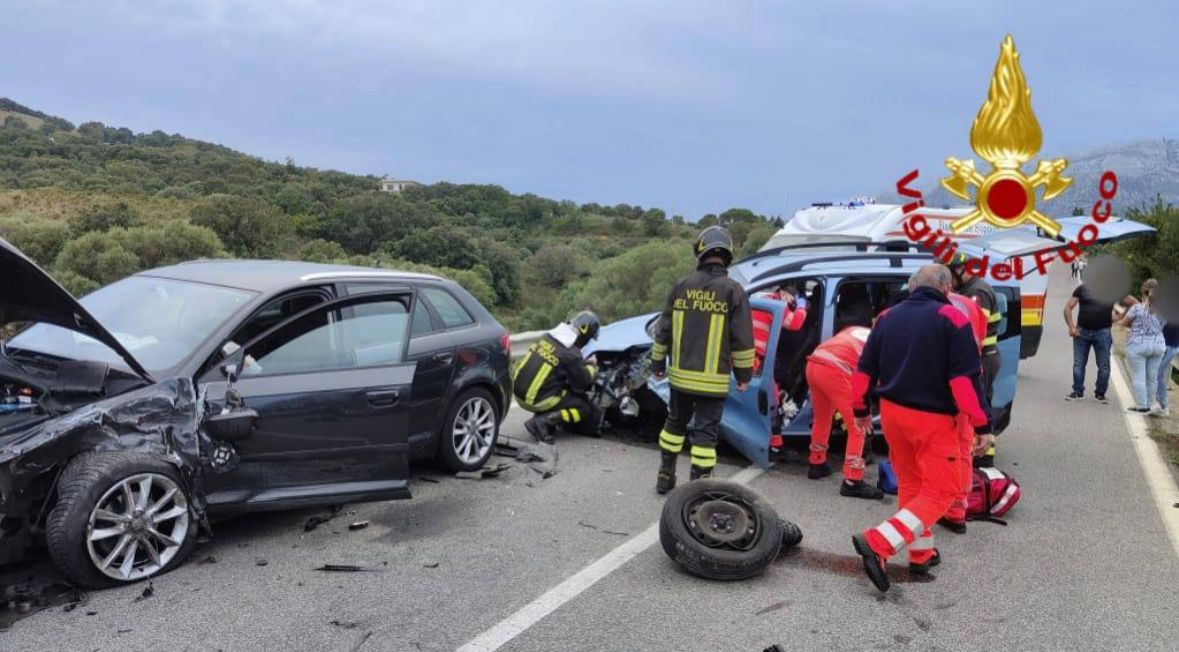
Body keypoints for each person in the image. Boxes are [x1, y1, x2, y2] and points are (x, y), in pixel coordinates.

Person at [850, 265, 992, 592]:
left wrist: (860, 410)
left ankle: (921, 553)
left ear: (913, 287)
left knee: (913, 484)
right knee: (943, 491)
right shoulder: (953, 319)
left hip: (893, 414)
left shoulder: (886, 317)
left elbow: (863, 370)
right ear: (946, 289)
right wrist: (982, 423)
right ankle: (879, 541)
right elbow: (963, 382)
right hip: (934, 419)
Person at [651, 226, 755, 494]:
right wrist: (744, 376)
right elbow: (742, 339)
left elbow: (663, 330)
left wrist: (657, 365)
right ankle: (697, 490)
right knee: (705, 436)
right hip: (713, 383)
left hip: (681, 378)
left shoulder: (681, 286)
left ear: (700, 251)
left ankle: (665, 475)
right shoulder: (734, 291)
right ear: (727, 255)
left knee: (674, 425)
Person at [804, 315, 883, 499]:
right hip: (835, 370)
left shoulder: (854, 328)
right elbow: (871, 380)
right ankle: (852, 481)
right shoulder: (881, 344)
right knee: (859, 425)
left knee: (822, 418)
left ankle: (817, 463)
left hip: (814, 363)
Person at [939, 292, 991, 534]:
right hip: (969, 375)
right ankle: (958, 510)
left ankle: (940, 503)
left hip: (944, 384)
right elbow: (980, 339)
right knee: (962, 450)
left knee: (944, 452)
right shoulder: (970, 304)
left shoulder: (931, 306)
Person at [512, 311, 603, 443]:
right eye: (589, 338)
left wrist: (581, 364)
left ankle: (544, 415)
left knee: (560, 385)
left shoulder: (548, 336)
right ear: (586, 334)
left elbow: (561, 363)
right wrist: (593, 368)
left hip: (518, 392)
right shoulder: (571, 353)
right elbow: (582, 382)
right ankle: (543, 422)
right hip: (535, 400)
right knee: (583, 407)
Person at [948, 254, 1001, 466]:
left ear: (961, 269)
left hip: (984, 358)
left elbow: (973, 329)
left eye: (950, 275)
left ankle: (984, 461)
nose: (948, 282)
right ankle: (981, 456)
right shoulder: (967, 289)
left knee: (979, 406)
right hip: (983, 357)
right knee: (981, 404)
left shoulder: (977, 292)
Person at [1117, 279, 1166, 415]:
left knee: (1138, 376)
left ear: (1143, 291)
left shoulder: (1137, 308)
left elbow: (1125, 323)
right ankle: (1150, 405)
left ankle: (1141, 406)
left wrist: (1121, 321)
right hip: (1158, 345)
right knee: (1152, 377)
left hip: (1137, 344)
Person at [1063, 281, 1117, 403]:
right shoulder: (1082, 289)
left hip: (1103, 332)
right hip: (1082, 332)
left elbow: (1131, 302)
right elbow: (1067, 308)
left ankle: (1100, 393)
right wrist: (1071, 327)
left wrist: (1123, 317)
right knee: (1078, 363)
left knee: (1104, 365)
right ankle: (1077, 391)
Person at [1157, 322, 1179, 417]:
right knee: (1157, 374)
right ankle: (1161, 404)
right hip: (1169, 346)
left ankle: (1163, 406)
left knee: (1157, 374)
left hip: (1170, 347)